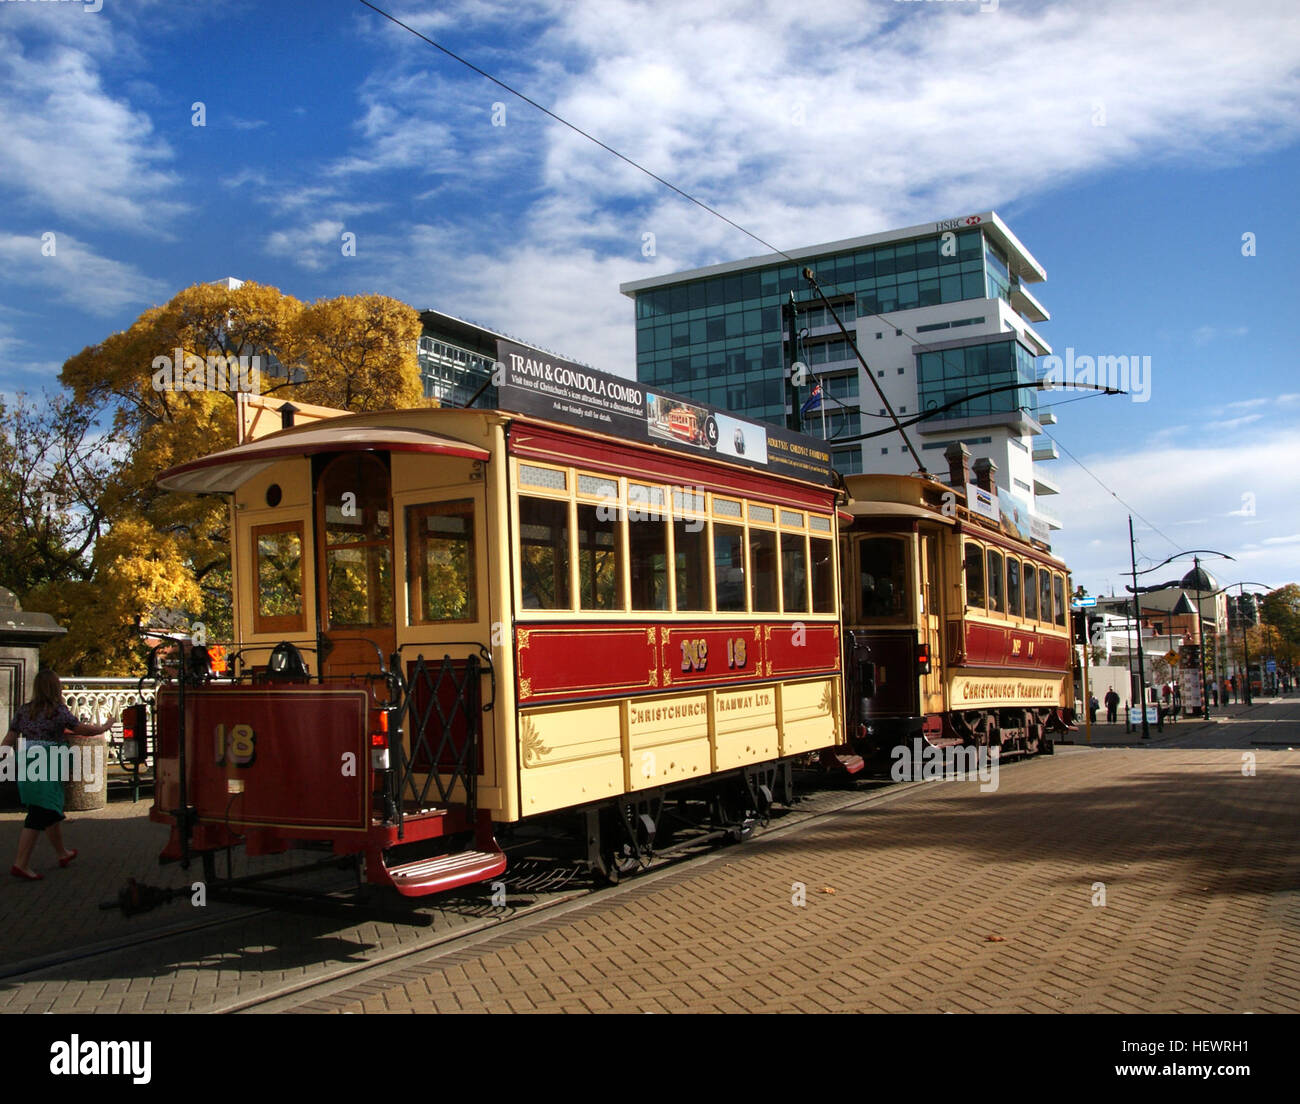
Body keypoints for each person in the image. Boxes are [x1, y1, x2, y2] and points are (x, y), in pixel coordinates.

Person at [3, 669, 112, 881]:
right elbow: (81, 729)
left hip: (27, 760)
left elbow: (9, 738)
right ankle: (21, 863)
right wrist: (104, 726)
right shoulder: (58, 711)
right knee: (40, 811)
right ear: (55, 687)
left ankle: (62, 853)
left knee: (47, 807)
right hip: (49, 760)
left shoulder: (24, 711)